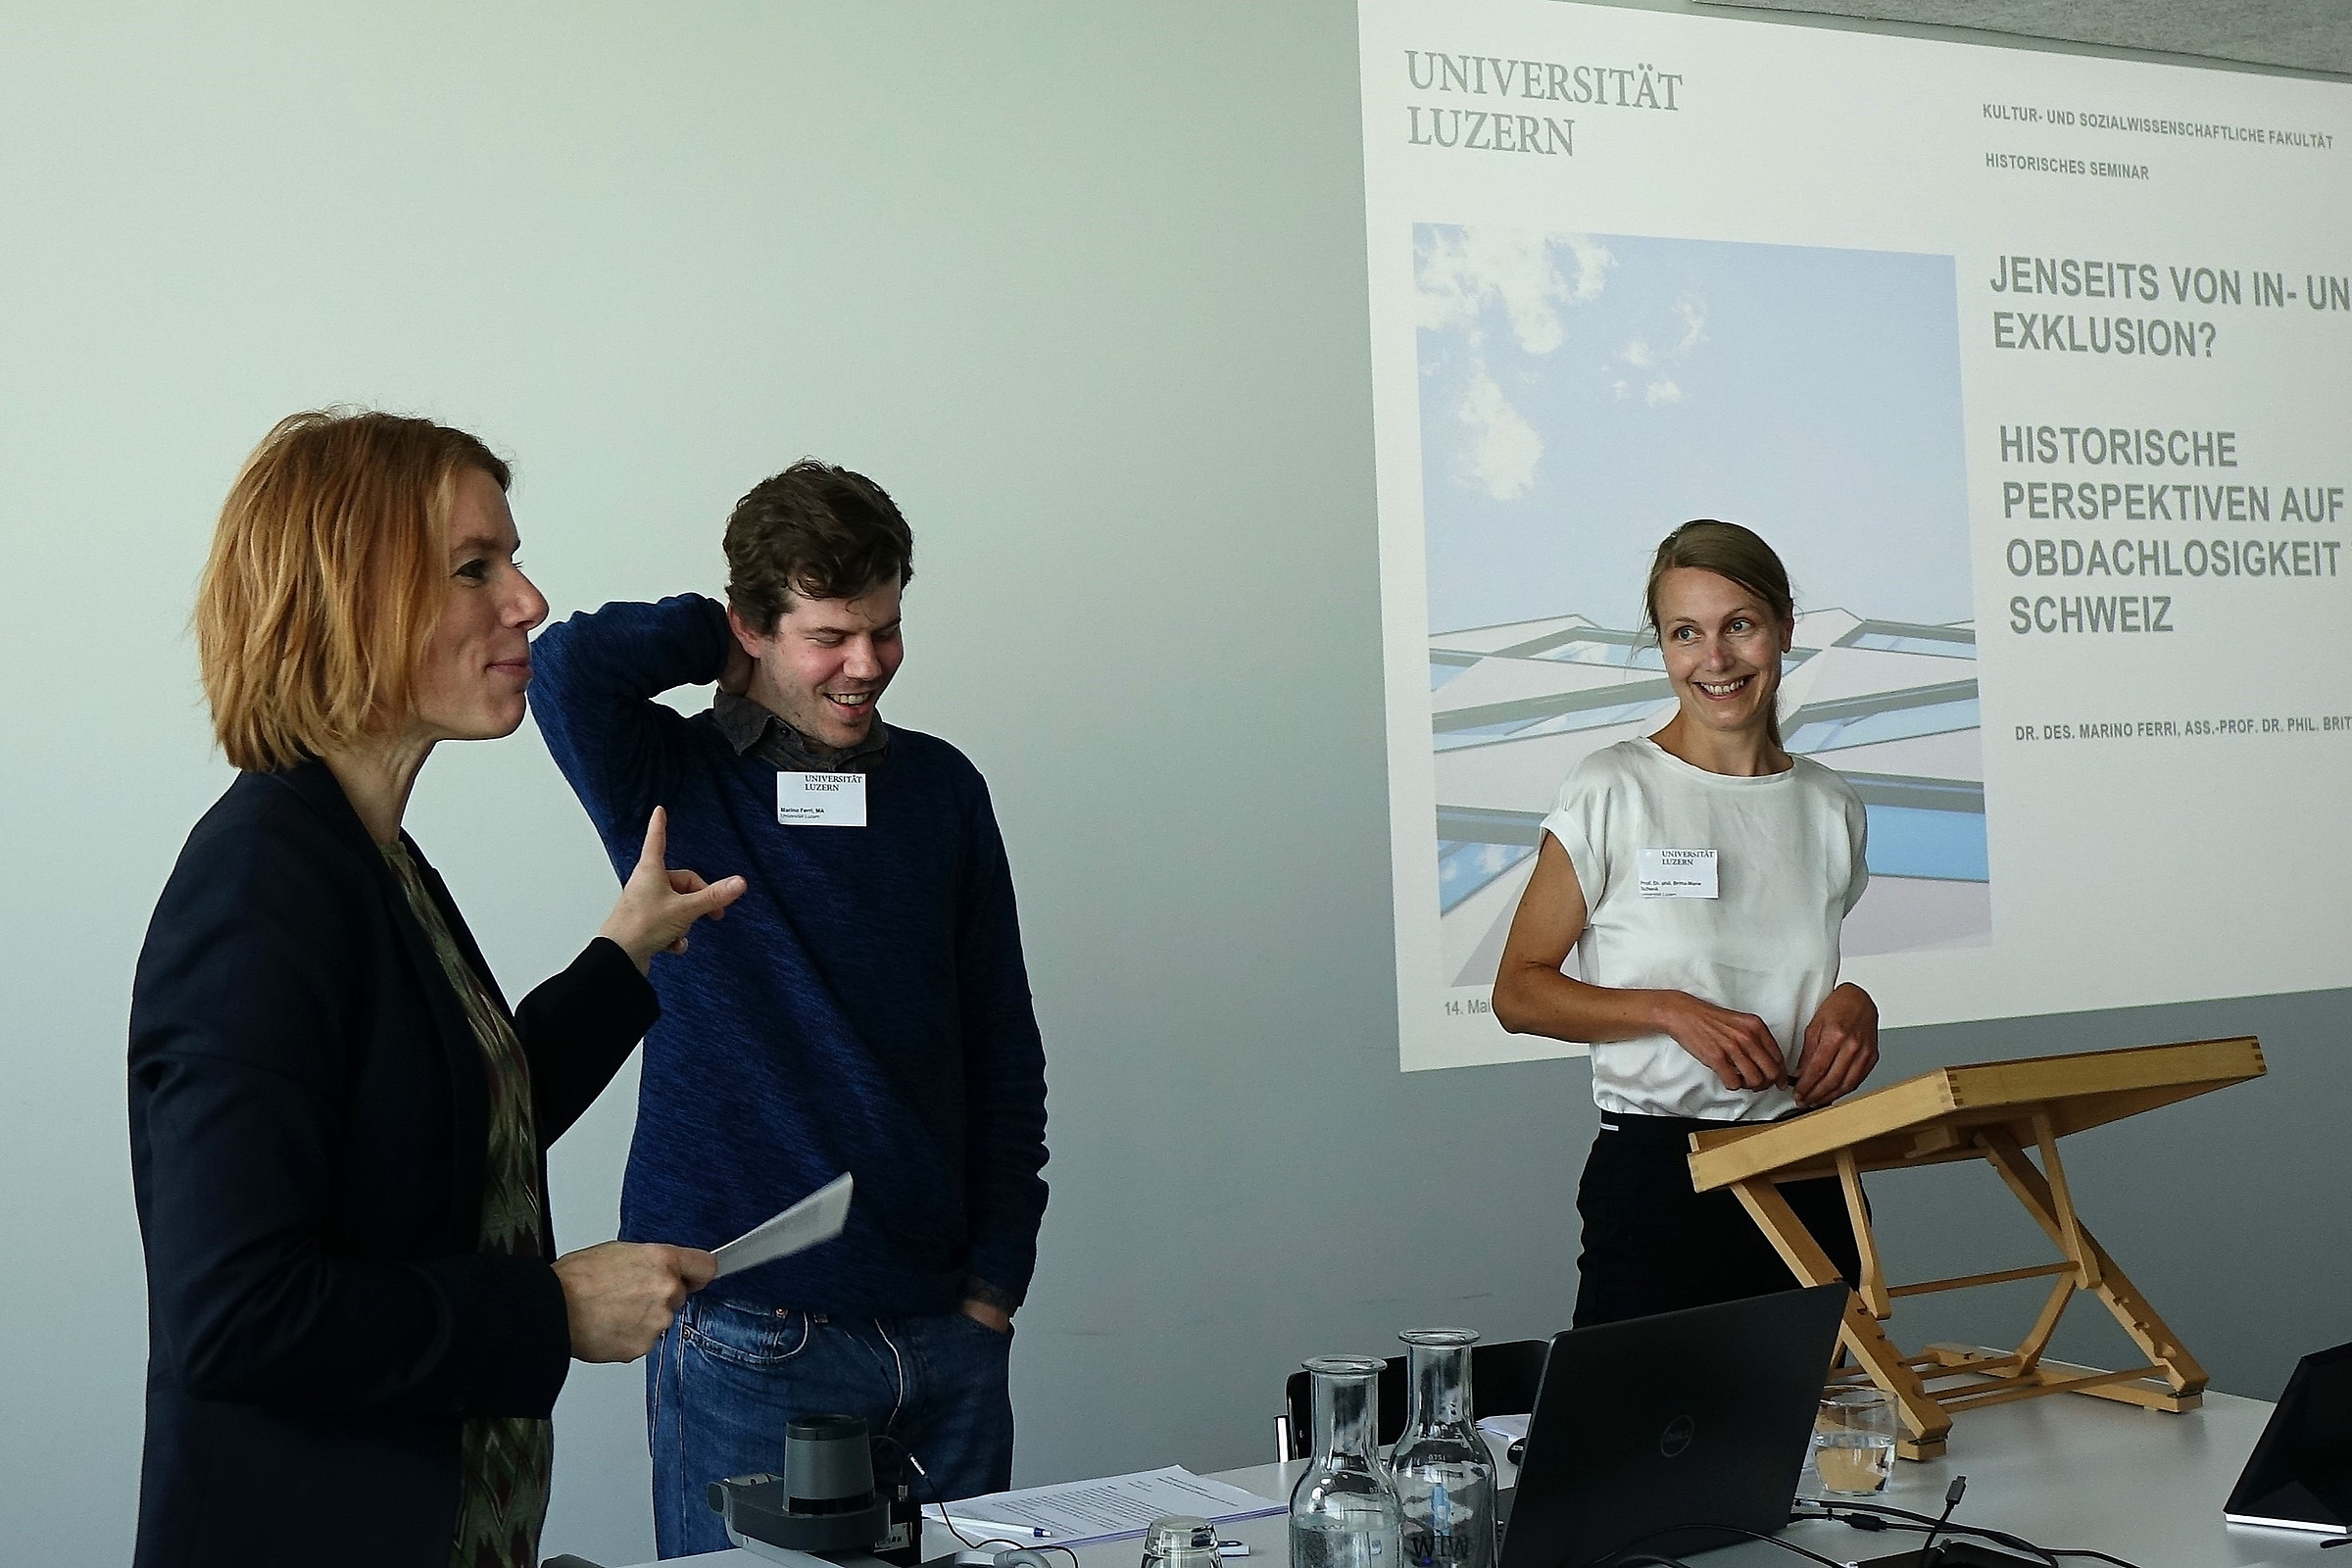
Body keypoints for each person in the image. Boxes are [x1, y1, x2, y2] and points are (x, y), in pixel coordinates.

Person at [128, 410, 745, 1568]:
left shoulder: (375, 860)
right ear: (349, 598)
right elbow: (238, 1314)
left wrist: (622, 957)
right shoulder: (259, 889)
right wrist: (550, 1310)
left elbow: (449, 1128)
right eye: (475, 568)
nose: (528, 600)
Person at [528, 460, 1049, 1555]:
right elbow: (567, 666)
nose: (868, 665)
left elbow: (1004, 1046)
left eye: (887, 630)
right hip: (746, 1337)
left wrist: (994, 1288)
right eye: (830, 636)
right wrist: (712, 641)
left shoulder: (943, 790)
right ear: (754, 628)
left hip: (943, 1334)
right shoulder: (667, 773)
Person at [1491, 518, 1877, 1328]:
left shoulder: (1830, 804)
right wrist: (1669, 1010)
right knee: (1636, 1412)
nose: (1716, 659)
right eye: (1685, 633)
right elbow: (1518, 993)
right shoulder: (1612, 787)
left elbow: (1785, 969)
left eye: (1740, 625)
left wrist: (1853, 1002)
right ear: (1663, 647)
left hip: (1807, 1166)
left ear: (1785, 628)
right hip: (1661, 1181)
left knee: (1823, 1410)